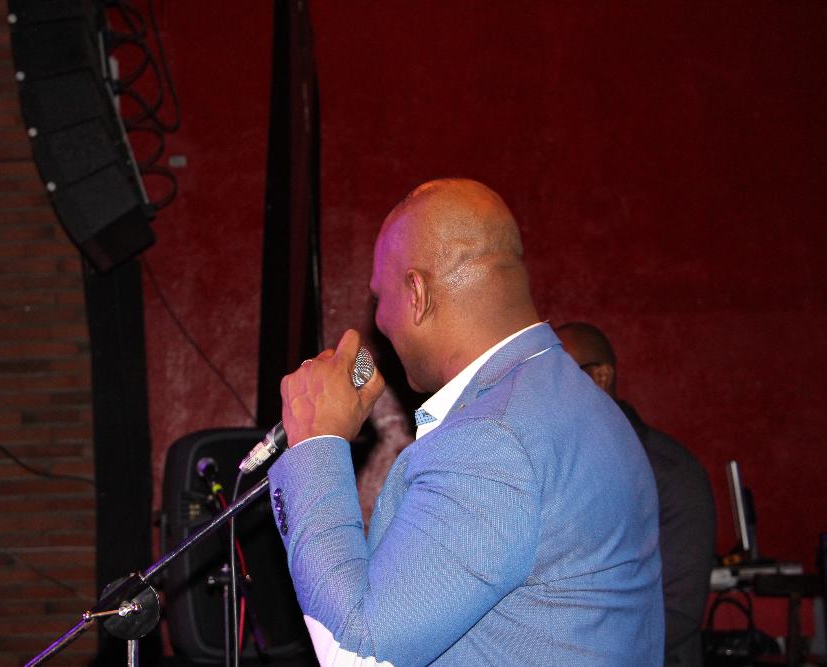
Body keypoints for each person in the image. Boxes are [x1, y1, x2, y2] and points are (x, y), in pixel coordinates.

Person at [267, 179, 663, 665]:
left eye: (379, 298)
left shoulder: (492, 438)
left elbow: (358, 655)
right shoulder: (580, 402)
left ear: (417, 293)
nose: (380, 321)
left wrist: (315, 443)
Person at [555, 321, 716, 667]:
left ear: (601, 376)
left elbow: (679, 609)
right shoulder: (557, 462)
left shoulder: (670, 471)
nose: (547, 390)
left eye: (560, 374)